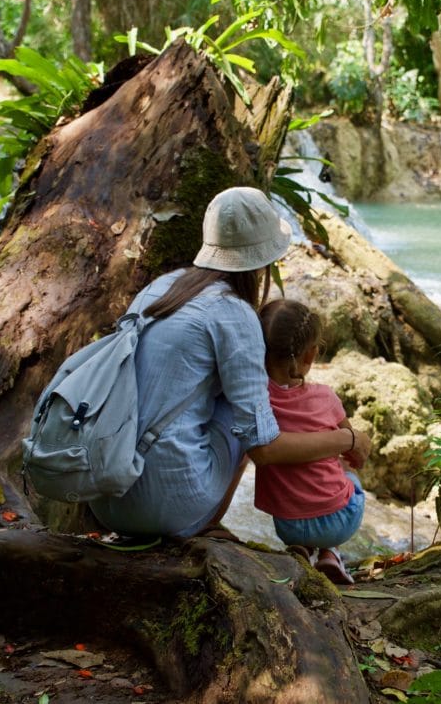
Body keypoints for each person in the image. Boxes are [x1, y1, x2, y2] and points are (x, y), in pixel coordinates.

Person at [88, 187, 371, 540]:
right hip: (163, 508)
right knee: (250, 415)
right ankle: (206, 524)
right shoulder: (234, 315)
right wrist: (347, 440)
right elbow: (264, 449)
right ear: (263, 259)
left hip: (102, 493)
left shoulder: (161, 287)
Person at [254, 299, 366, 585]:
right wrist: (350, 464)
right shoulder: (326, 398)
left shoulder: (256, 400)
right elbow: (355, 454)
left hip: (287, 524)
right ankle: (330, 553)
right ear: (311, 355)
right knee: (350, 476)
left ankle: (301, 550)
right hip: (338, 522)